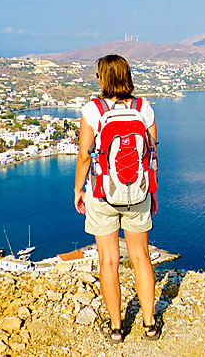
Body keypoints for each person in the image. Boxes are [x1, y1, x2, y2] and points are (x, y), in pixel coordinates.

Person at [74, 54, 160, 343]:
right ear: (127, 76)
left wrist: (78, 190)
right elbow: (152, 155)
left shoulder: (92, 109)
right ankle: (149, 324)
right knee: (141, 257)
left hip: (101, 195)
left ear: (102, 78)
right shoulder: (143, 107)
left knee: (108, 261)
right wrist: (153, 190)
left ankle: (116, 328)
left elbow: (85, 155)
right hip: (138, 192)